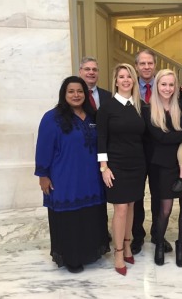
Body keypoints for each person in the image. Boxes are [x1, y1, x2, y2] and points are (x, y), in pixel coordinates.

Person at [34, 76, 109, 274]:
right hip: (65, 178)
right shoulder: (52, 118)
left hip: (91, 178)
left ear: (86, 94)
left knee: (90, 215)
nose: (76, 95)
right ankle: (71, 257)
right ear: (64, 94)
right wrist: (43, 174)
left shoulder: (93, 116)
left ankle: (91, 252)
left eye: (80, 91)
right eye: (71, 91)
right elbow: (43, 148)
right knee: (70, 218)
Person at [143, 69, 182, 267]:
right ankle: (159, 244)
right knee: (165, 209)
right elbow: (161, 137)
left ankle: (180, 245)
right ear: (156, 85)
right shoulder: (148, 109)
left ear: (176, 86)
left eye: (171, 84)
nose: (167, 88)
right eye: (163, 84)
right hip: (164, 165)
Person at [97, 63, 146, 276]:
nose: (126, 80)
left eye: (129, 77)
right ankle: (118, 252)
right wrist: (104, 167)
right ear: (115, 81)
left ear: (134, 80)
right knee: (121, 209)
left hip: (137, 164)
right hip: (115, 165)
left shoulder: (139, 106)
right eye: (122, 77)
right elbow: (101, 139)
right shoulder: (107, 107)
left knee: (132, 206)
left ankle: (127, 244)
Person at [131, 49, 173, 255]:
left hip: (160, 150)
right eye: (142, 64)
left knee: (159, 194)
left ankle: (158, 233)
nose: (146, 67)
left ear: (154, 65)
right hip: (136, 150)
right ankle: (136, 235)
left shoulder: (165, 86)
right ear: (136, 66)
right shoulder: (128, 88)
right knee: (136, 195)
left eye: (150, 63)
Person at [79, 56, 112, 242]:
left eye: (94, 69)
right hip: (83, 152)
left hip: (105, 151)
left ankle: (102, 231)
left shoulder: (107, 96)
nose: (91, 72)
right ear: (80, 72)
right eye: (87, 69)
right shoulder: (73, 95)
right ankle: (86, 231)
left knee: (102, 193)